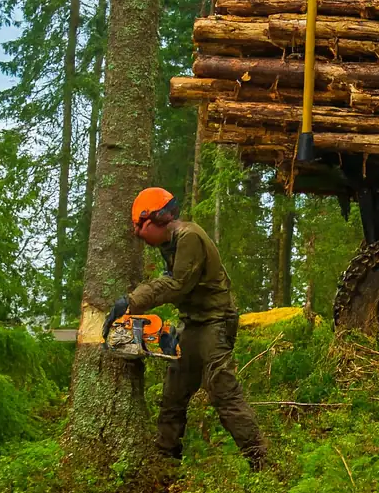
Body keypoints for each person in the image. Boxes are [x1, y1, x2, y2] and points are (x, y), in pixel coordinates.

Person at [104, 187, 266, 469]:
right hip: (192, 324)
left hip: (214, 323)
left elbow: (177, 284)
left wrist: (130, 302)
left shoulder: (189, 236)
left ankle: (261, 461)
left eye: (140, 227)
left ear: (155, 219)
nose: (139, 235)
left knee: (223, 392)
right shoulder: (172, 244)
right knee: (173, 395)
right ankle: (166, 461)